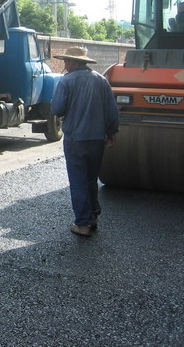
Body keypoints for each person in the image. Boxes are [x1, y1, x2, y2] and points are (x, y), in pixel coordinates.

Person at [51, 46, 119, 237]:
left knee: (78, 180)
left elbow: (57, 109)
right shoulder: (101, 80)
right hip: (97, 139)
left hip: (75, 139)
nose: (65, 64)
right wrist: (112, 132)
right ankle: (93, 216)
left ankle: (82, 224)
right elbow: (112, 111)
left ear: (73, 62)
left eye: (66, 61)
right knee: (91, 179)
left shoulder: (66, 81)